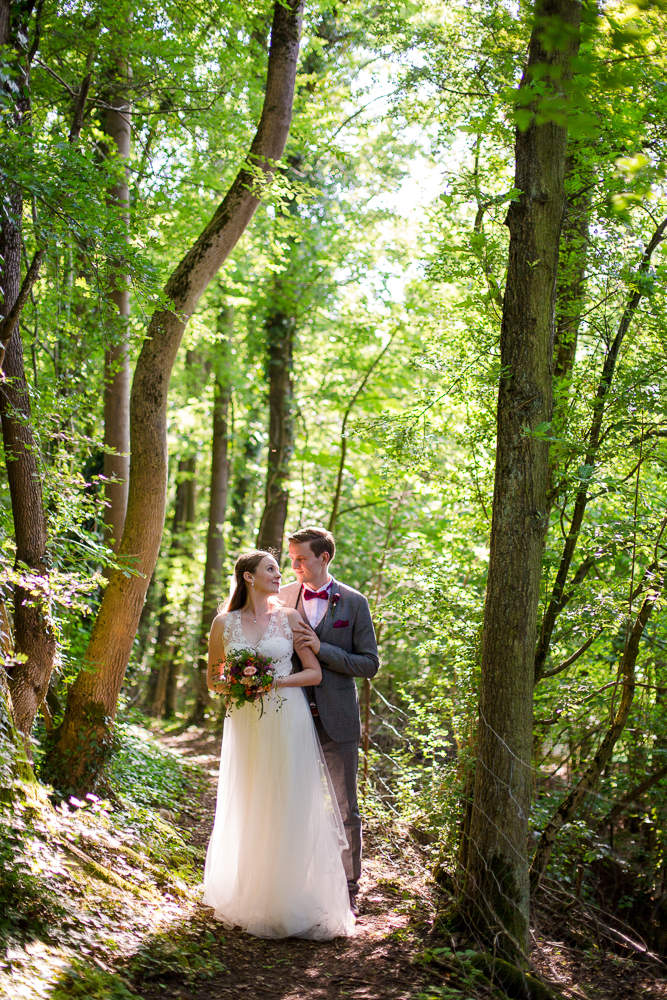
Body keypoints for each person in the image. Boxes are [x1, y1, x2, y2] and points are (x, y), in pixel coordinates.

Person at [202, 550, 354, 941]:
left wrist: (273, 682)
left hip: (288, 717)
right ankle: (254, 894)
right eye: (270, 568)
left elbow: (313, 672)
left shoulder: (290, 618)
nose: (279, 573)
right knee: (252, 801)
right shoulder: (223, 624)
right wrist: (238, 684)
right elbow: (213, 681)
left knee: (290, 800)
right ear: (248, 577)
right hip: (246, 722)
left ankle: (291, 896)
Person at [280, 527, 379, 917]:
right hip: (290, 719)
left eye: (301, 558)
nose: (295, 565)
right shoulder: (281, 598)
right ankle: (295, 886)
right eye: (292, 558)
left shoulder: (354, 603)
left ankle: (349, 888)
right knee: (292, 805)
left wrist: (324, 650)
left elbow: (369, 664)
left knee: (345, 808)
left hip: (338, 722)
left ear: (324, 558)